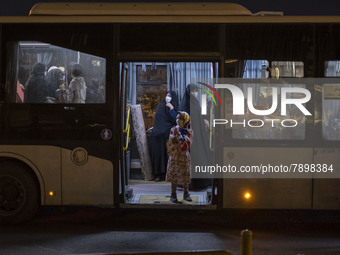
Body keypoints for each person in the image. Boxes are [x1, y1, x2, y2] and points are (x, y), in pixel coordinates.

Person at [180, 84, 212, 189]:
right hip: (189, 137)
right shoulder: (185, 105)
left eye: (196, 90)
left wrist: (204, 120)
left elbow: (199, 116)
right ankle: (191, 183)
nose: (195, 92)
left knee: (200, 158)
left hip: (199, 135)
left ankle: (201, 182)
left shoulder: (196, 103)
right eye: (193, 90)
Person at [150, 91, 178, 181]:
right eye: (167, 95)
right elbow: (175, 120)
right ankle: (160, 174)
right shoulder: (162, 106)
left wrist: (171, 108)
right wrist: (172, 109)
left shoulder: (162, 105)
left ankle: (160, 174)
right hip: (161, 135)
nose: (167, 97)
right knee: (162, 155)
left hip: (160, 135)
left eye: (170, 96)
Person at [166, 111, 193, 203]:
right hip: (175, 157)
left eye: (181, 119)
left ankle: (186, 193)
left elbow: (190, 143)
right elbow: (171, 142)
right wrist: (177, 138)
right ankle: (173, 194)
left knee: (185, 175)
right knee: (174, 175)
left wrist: (185, 139)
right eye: (177, 118)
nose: (178, 120)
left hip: (184, 157)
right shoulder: (174, 129)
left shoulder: (189, 131)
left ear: (186, 121)